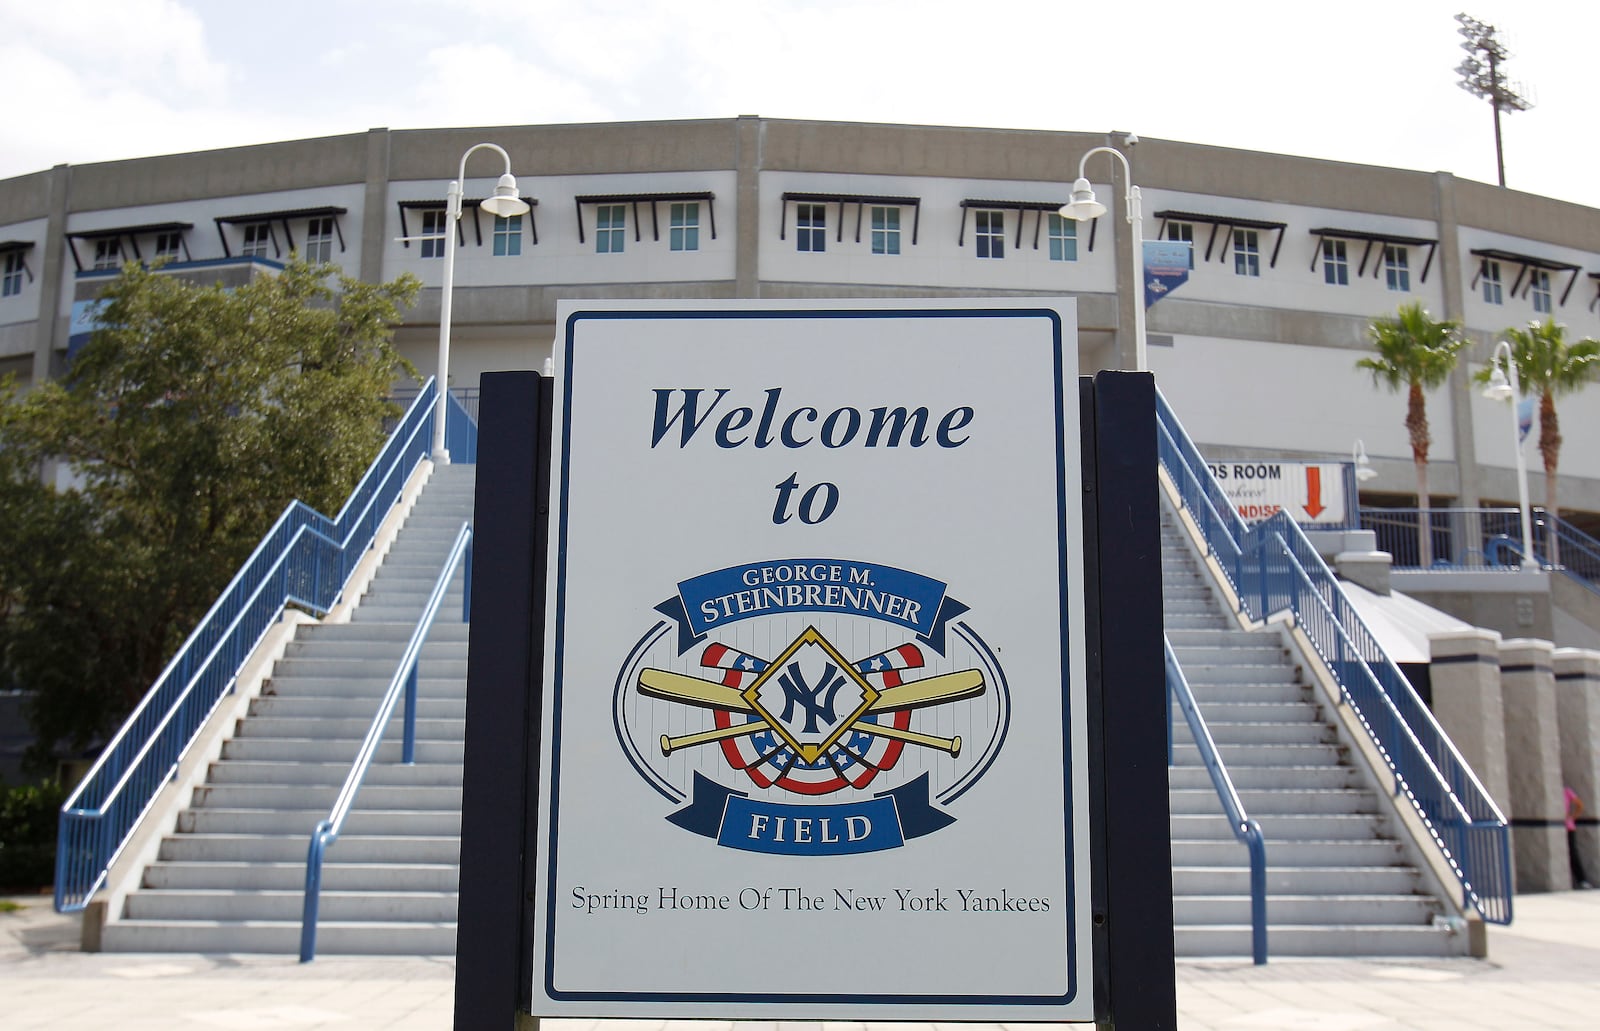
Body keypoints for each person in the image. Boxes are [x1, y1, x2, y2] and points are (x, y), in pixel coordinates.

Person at [1566, 785, 1594, 890]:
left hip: (1568, 827)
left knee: (1573, 853)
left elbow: (1579, 805)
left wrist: (1572, 817)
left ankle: (1582, 880)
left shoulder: (1567, 791)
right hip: (1558, 827)